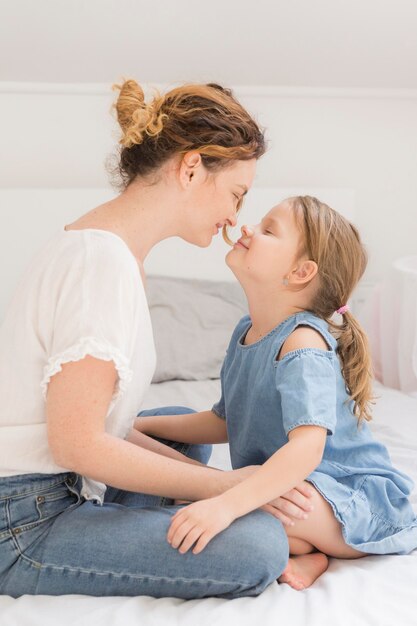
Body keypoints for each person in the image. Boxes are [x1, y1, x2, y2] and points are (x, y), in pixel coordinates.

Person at [0, 78, 318, 599]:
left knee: (175, 433)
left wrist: (220, 488)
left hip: (50, 483)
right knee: (260, 545)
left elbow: (98, 422)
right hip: (23, 522)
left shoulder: (107, 250)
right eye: (237, 193)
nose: (234, 218)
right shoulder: (100, 264)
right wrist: (232, 489)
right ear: (191, 168)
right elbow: (76, 442)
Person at [135, 195, 417, 591]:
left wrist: (225, 503)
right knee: (244, 501)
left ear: (301, 271)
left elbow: (307, 449)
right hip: (293, 486)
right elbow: (224, 421)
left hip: (356, 497)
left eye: (268, 229)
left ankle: (304, 546)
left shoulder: (303, 343)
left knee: (226, 511)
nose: (248, 228)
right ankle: (307, 551)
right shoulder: (247, 331)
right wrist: (139, 425)